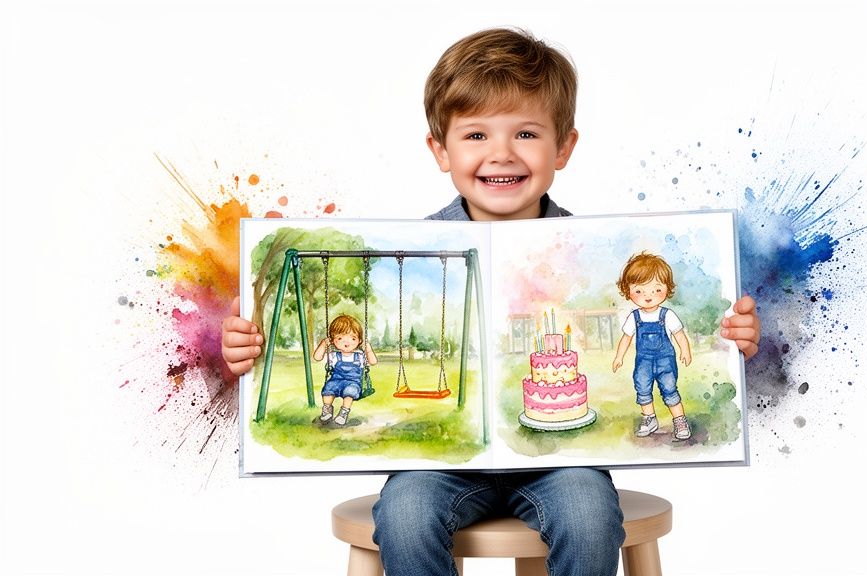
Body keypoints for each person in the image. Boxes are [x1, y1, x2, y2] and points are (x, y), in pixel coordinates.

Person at [222, 27, 762, 576]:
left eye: (526, 133)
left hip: (561, 460)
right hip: (439, 470)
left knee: (588, 514)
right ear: (440, 150)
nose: (501, 153)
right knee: (406, 515)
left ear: (564, 147)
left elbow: (672, 325)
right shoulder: (415, 250)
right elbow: (253, 351)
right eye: (475, 135)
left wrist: (732, 338)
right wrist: (246, 349)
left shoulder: (595, 253)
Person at [612, 252, 693, 440]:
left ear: (666, 288)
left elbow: (679, 334)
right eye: (639, 291)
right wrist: (619, 356)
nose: (648, 296)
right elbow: (626, 338)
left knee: (670, 389)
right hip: (643, 362)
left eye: (656, 290)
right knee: (642, 388)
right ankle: (649, 418)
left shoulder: (668, 315)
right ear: (628, 290)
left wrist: (685, 350)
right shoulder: (634, 317)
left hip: (665, 361)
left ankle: (680, 420)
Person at [312, 314, 376, 426]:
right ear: (333, 340)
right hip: (336, 380)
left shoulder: (360, 355)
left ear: (359, 340)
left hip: (353, 382)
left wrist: (369, 350)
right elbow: (317, 357)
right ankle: (327, 409)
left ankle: (343, 412)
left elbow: (373, 362)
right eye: (340, 338)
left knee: (349, 392)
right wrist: (323, 345)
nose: (346, 342)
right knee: (328, 389)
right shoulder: (335, 355)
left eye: (353, 338)